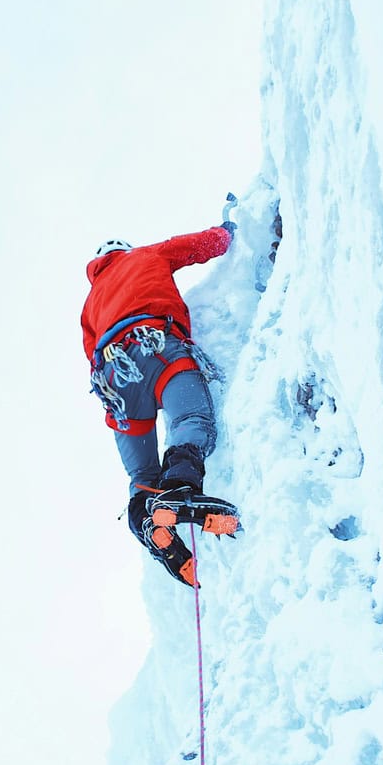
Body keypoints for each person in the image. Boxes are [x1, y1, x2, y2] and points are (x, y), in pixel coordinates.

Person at [82, 220, 239, 587]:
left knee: (141, 476)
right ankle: (180, 491)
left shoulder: (90, 305)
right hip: (156, 347)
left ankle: (150, 522)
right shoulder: (145, 255)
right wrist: (228, 233)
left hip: (115, 379)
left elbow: (90, 354)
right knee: (191, 420)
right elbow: (193, 246)